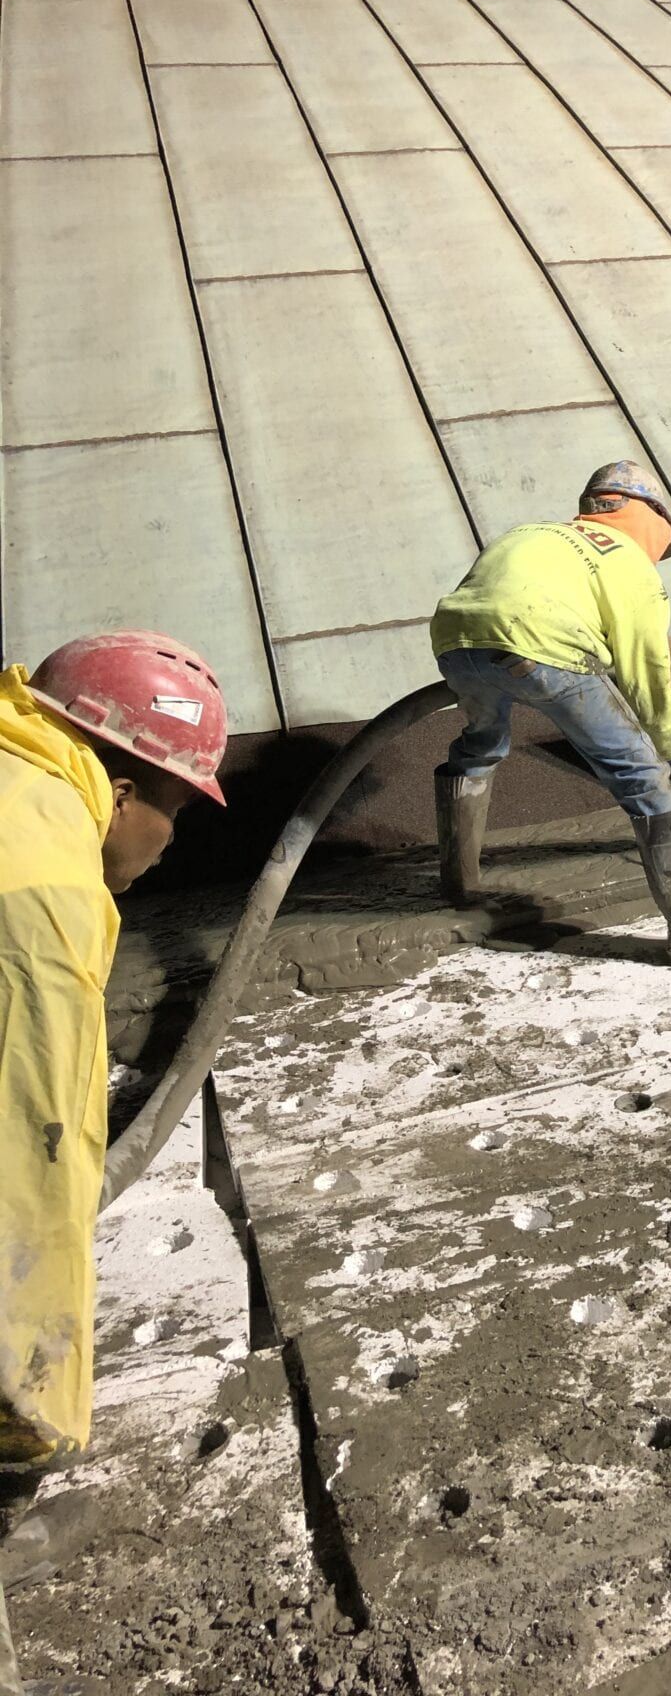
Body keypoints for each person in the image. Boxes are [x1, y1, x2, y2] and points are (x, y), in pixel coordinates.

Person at [0, 632, 228, 1680]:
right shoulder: (44, 895)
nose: (170, 839)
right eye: (174, 809)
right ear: (123, 779)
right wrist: (33, 1423)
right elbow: (28, 1189)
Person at [429, 462, 671, 966]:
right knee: (642, 777)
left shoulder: (534, 532)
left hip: (456, 643)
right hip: (545, 650)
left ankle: (461, 884)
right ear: (652, 517)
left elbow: (493, 601)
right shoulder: (628, 563)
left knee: (481, 746)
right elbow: (646, 681)